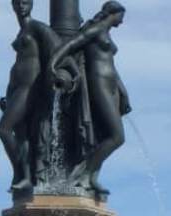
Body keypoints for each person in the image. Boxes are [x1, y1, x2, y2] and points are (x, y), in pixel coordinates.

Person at [50, 1, 131, 195]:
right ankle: (83, 174)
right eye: (121, 16)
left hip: (111, 85)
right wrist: (52, 63)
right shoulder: (95, 29)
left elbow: (112, 66)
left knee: (102, 135)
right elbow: (70, 45)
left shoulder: (107, 34)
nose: (122, 21)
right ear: (113, 13)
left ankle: (91, 176)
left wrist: (124, 92)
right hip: (99, 84)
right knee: (117, 136)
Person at [0, 0, 71, 191]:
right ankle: (25, 176)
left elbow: (60, 50)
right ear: (13, 6)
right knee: (22, 135)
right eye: (18, 3)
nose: (21, 6)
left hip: (29, 88)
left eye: (26, 3)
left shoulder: (38, 28)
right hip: (16, 88)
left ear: (31, 5)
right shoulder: (22, 31)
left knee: (4, 129)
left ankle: (22, 174)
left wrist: (64, 73)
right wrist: (8, 92)